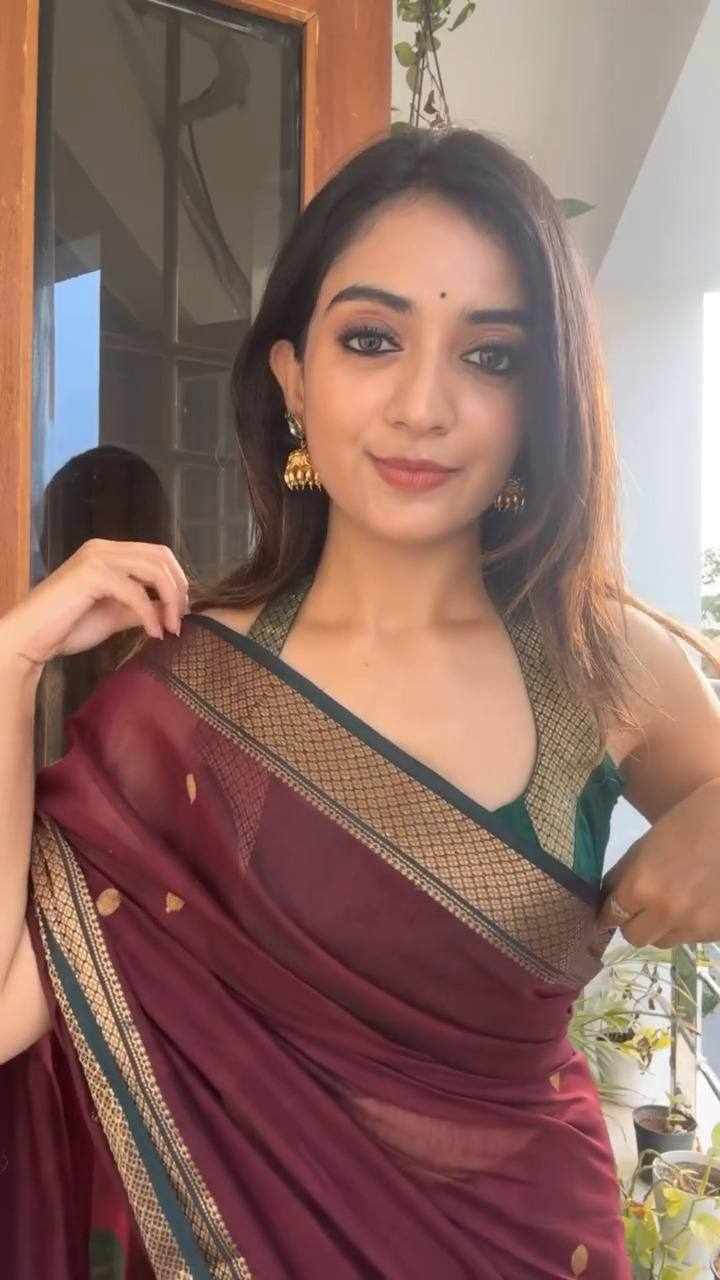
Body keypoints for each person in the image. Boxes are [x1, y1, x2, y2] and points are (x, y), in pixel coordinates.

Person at [1, 126, 720, 1280]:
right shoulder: (183, 700)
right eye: (373, 339)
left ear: (539, 403)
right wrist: (12, 663)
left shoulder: (607, 665)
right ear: (294, 379)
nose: (423, 404)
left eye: (491, 356)